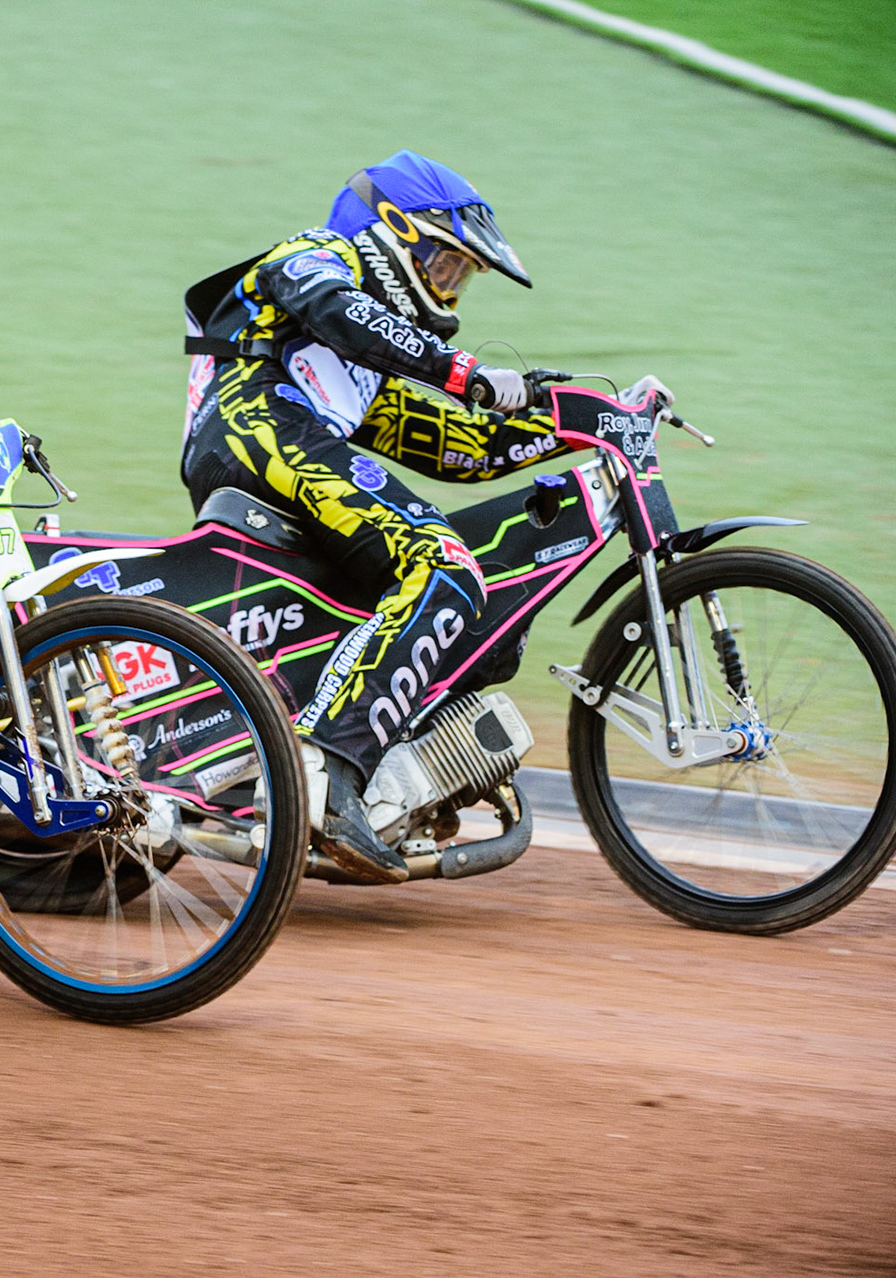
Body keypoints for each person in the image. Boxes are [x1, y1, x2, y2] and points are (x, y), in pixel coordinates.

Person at [180, 151, 663, 884]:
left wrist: (590, 421)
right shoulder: (313, 256)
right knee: (441, 562)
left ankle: (365, 770)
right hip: (254, 425)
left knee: (462, 602)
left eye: (461, 277)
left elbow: (459, 447)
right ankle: (326, 775)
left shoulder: (357, 369)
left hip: (288, 437)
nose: (451, 289)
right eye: (445, 265)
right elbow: (345, 314)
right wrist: (464, 372)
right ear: (392, 229)